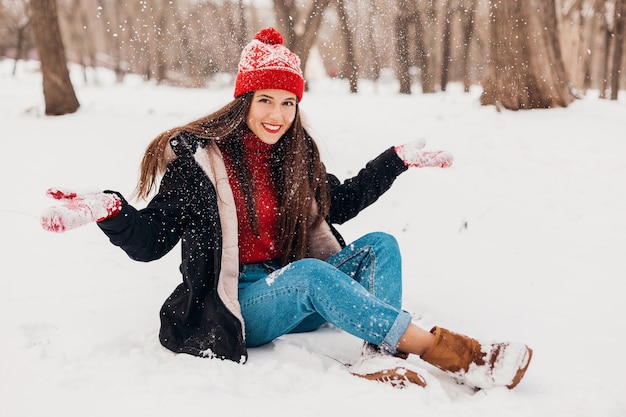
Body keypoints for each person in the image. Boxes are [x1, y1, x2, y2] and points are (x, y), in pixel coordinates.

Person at [41, 27, 532, 390]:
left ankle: (378, 355)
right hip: (239, 307)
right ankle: (460, 355)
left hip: (292, 292)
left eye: (288, 103)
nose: (277, 115)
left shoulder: (294, 157)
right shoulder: (199, 166)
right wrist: (111, 210)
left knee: (381, 246)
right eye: (266, 100)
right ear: (244, 101)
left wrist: (395, 161)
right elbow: (150, 241)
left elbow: (340, 202)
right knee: (308, 276)